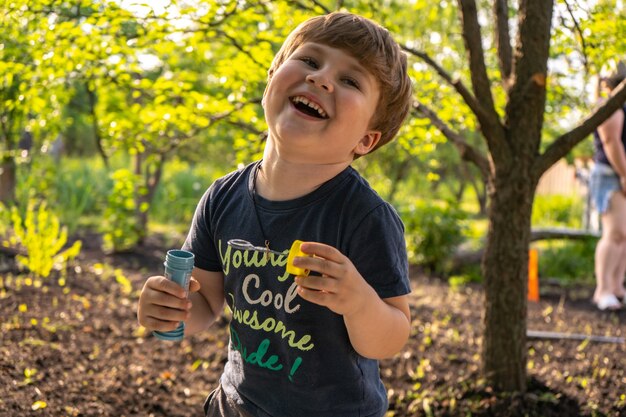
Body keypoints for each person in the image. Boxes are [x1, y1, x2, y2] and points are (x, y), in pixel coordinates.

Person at [137, 12, 413, 417]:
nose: (321, 79)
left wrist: (359, 302)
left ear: (366, 140)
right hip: (236, 405)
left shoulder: (364, 216)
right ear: (271, 80)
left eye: (350, 80)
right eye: (310, 61)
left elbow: (391, 336)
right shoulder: (222, 197)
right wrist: (166, 309)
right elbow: (204, 302)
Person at [590, 59, 626, 311]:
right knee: (614, 233)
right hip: (610, 174)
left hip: (621, 174)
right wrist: (625, 174)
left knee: (624, 235)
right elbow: (611, 142)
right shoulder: (610, 105)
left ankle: (616, 287)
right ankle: (602, 290)